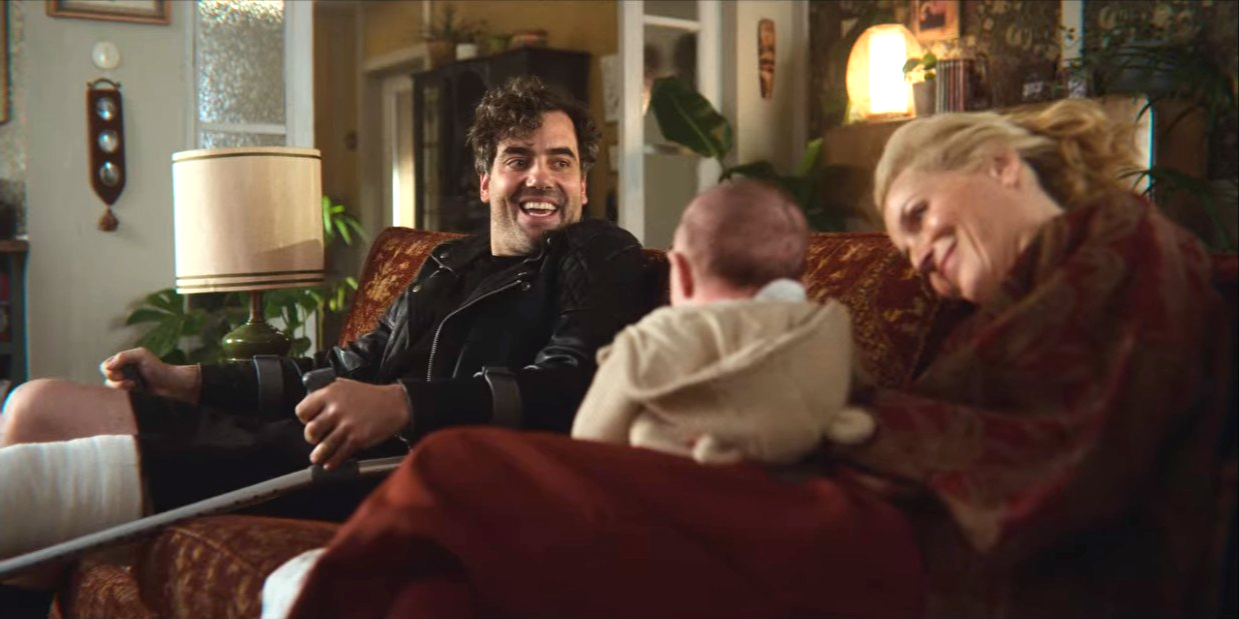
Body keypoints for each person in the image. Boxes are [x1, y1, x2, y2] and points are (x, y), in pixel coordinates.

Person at [285, 99, 1225, 619]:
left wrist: (842, 422)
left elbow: (1071, 454)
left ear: (999, 165)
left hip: (906, 545)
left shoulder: (1129, 244)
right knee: (433, 594)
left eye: (916, 219)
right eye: (903, 242)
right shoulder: (1026, 297)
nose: (918, 264)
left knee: (456, 470)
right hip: (840, 500)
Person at [0, 76, 650, 616]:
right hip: (321, 438)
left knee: (36, 474)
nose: (541, 178)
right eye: (518, 159)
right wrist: (189, 380)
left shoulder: (597, 252)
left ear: (582, 183)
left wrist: (403, 404)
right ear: (486, 181)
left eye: (560, 161)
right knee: (38, 404)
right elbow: (345, 365)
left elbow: (568, 382)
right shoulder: (448, 262)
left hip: (398, 472)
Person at [570, 179, 875, 465]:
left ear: (682, 274)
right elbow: (864, 400)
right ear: (803, 278)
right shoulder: (830, 327)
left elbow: (587, 450)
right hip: (796, 491)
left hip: (674, 490)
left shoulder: (650, 341)